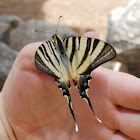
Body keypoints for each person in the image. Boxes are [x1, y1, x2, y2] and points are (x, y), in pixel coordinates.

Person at [0, 32, 140, 140]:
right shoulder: (73, 44)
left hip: (62, 73)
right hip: (77, 70)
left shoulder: (46, 50)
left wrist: (6, 123)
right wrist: (5, 121)